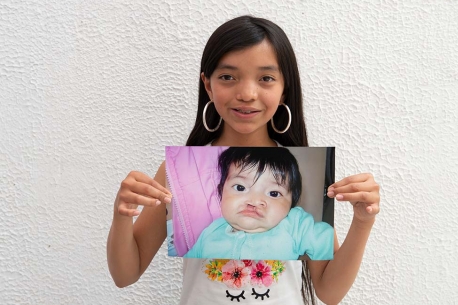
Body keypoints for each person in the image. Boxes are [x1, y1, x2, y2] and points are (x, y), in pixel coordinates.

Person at [107, 15, 380, 305]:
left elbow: (330, 292)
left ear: (284, 88)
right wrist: (122, 214)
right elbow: (125, 275)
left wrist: (363, 221)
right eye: (228, 77)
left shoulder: (296, 184)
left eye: (266, 78)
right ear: (208, 85)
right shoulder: (179, 173)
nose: (247, 93)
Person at [184, 147, 334, 260]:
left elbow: (332, 247)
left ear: (291, 205)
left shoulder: (295, 226)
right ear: (221, 192)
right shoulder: (211, 232)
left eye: (274, 193)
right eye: (240, 187)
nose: (254, 201)